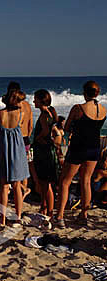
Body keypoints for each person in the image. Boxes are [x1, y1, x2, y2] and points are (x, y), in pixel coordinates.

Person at [56, 81, 106, 228]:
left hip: (78, 147)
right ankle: (83, 215)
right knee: (86, 180)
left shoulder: (78, 108)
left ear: (85, 92)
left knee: (65, 181)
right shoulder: (103, 110)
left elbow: (66, 127)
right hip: (94, 147)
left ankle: (59, 216)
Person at [0, 89, 30, 225]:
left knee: (4, 186)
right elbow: (23, 133)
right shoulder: (21, 114)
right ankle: (17, 216)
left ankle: (2, 218)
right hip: (17, 151)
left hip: (2, 150)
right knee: (17, 185)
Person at [32, 89, 60, 218]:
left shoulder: (44, 115)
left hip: (43, 151)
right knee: (46, 183)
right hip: (48, 150)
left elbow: (45, 131)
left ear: (40, 100)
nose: (33, 101)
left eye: (35, 99)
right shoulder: (50, 112)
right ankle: (45, 208)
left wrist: (37, 138)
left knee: (45, 183)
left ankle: (48, 210)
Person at [6, 82, 34, 201]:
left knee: (14, 166)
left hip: (16, 138)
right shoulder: (27, 105)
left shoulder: (13, 105)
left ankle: (20, 189)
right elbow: (31, 124)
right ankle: (23, 191)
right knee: (24, 167)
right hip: (26, 137)